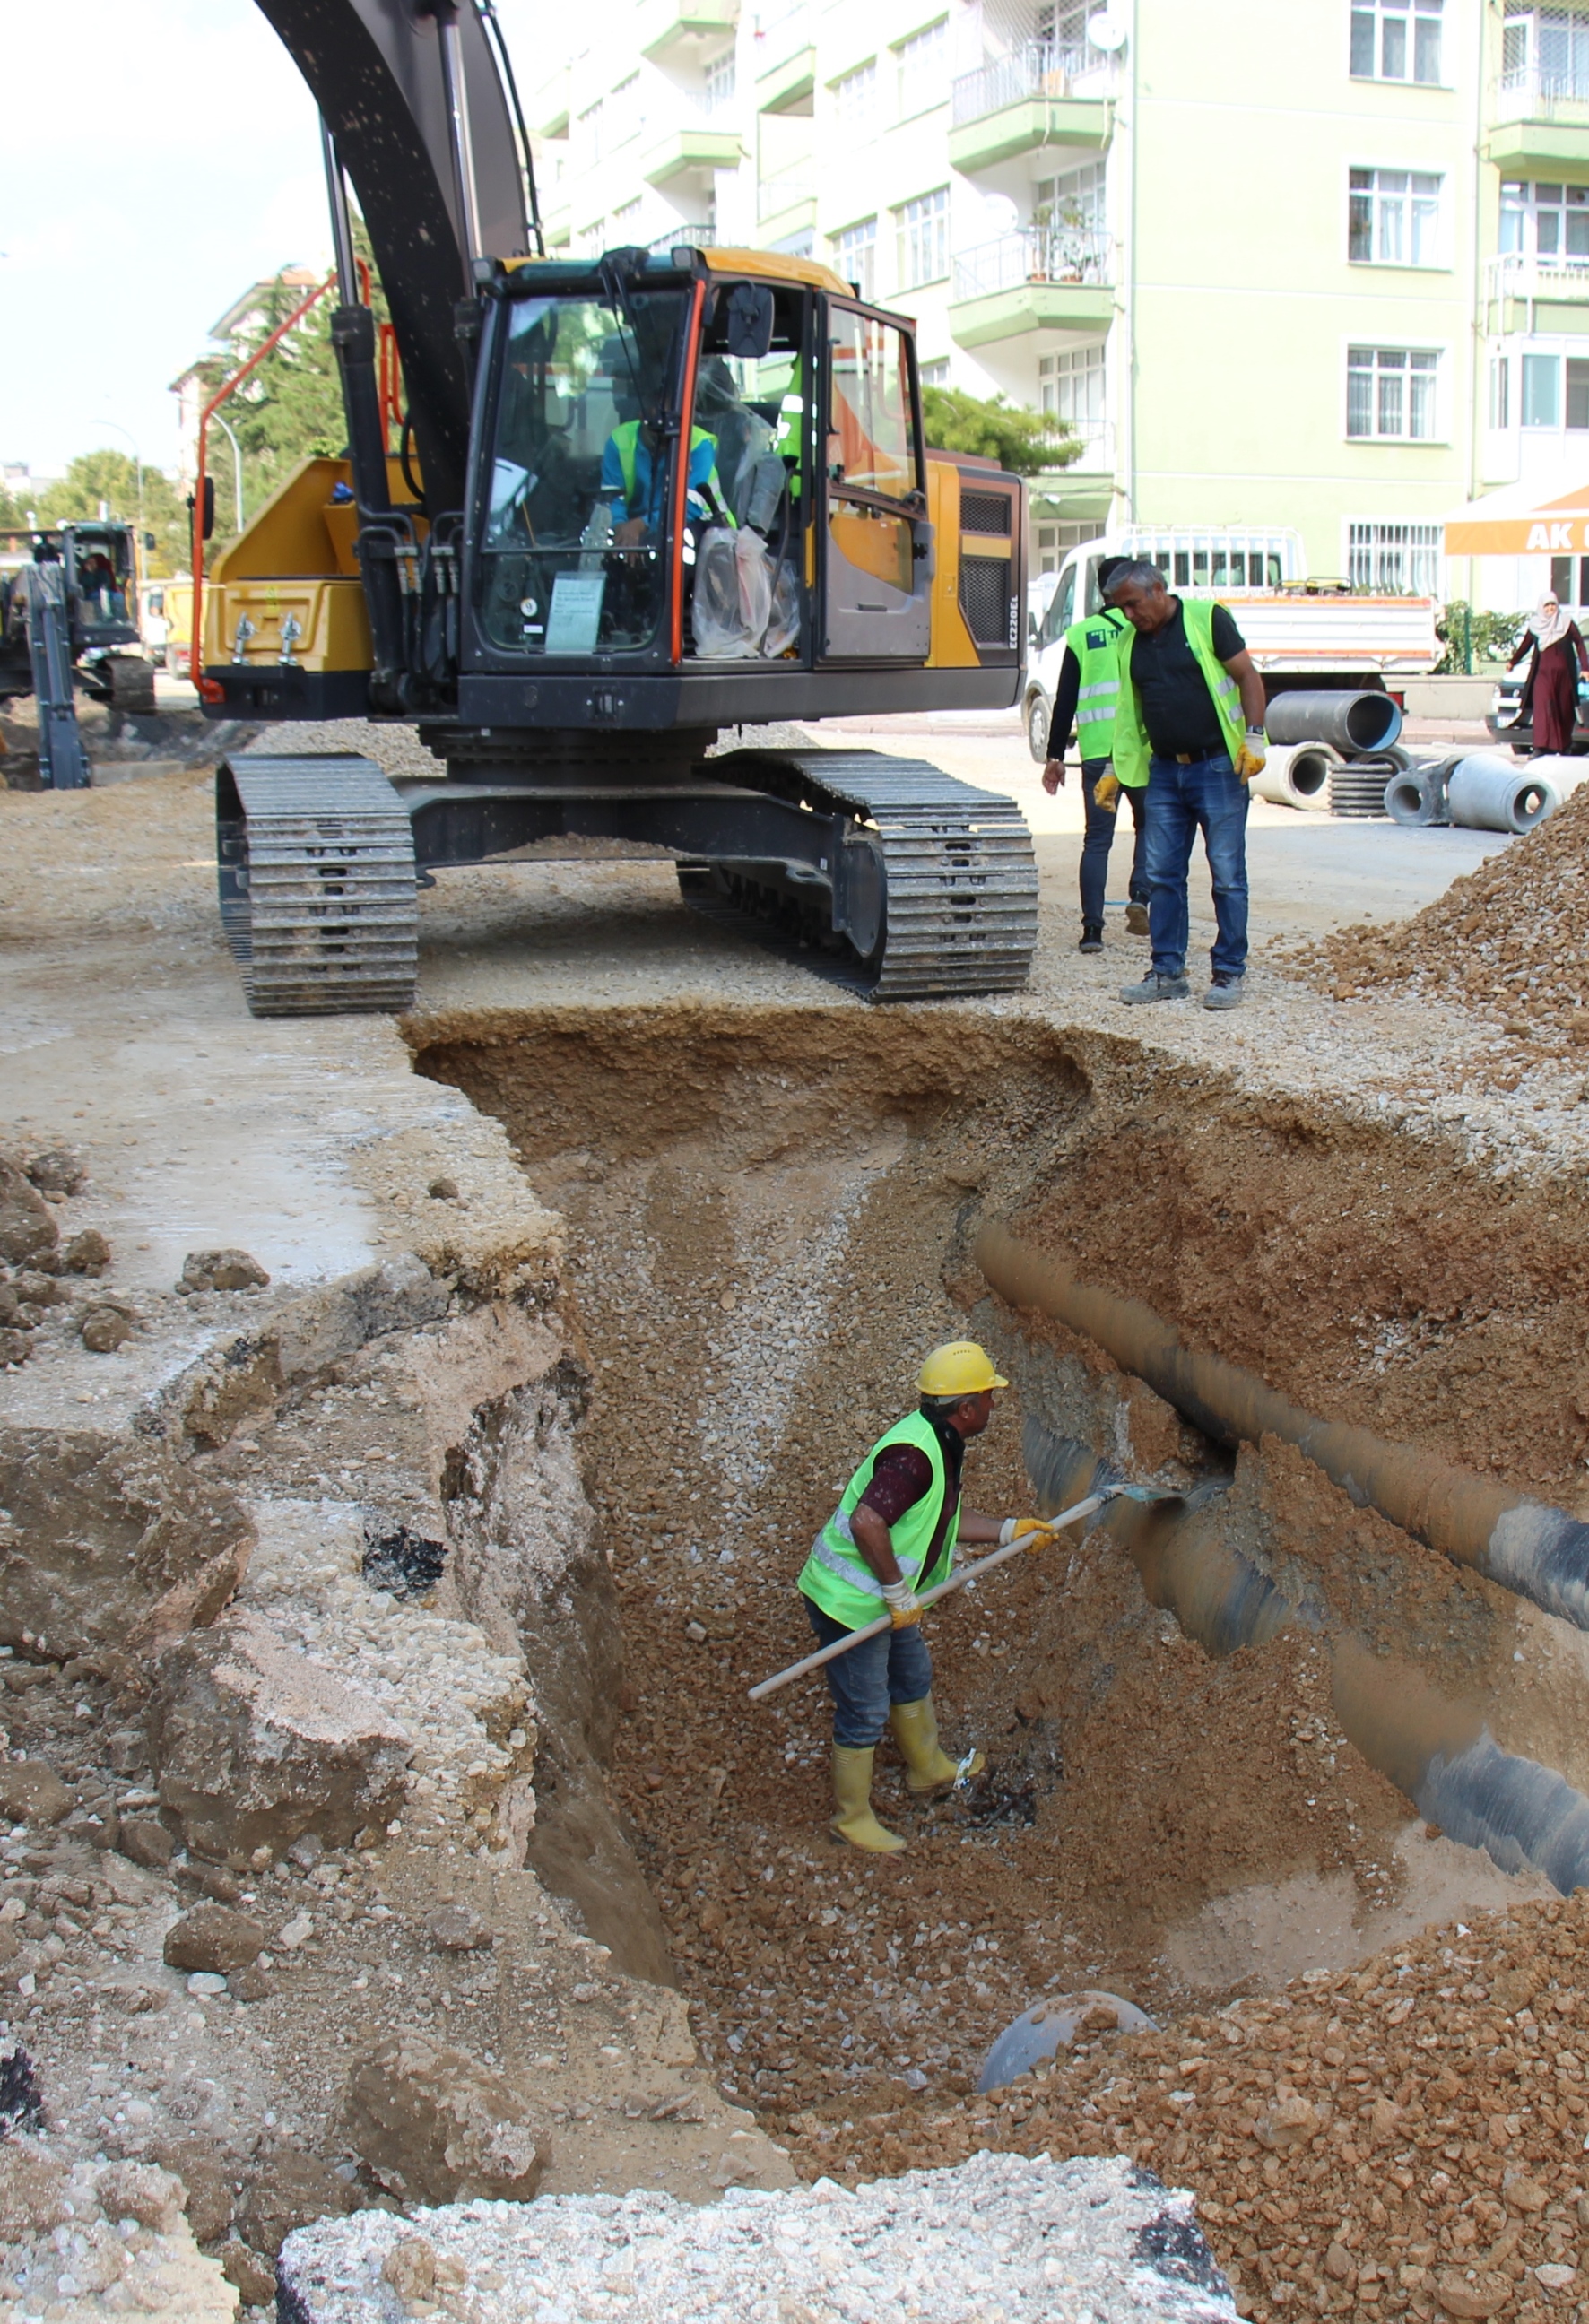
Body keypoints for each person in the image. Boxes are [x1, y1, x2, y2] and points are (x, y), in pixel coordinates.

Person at [796, 1341, 1049, 1854]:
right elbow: (867, 1522)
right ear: (965, 1409)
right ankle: (851, 1818)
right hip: (849, 1606)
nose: (993, 1406)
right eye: (987, 1397)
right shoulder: (914, 1457)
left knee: (912, 1677)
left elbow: (940, 1523)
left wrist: (1009, 1531)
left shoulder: (940, 1443)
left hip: (886, 1602)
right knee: (864, 1710)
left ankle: (927, 1769)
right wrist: (894, 1591)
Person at [1101, 559, 1270, 1012]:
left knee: (1228, 875)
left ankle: (1229, 972)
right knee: (1162, 876)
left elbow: (1247, 677)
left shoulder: (1206, 619)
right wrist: (1114, 769)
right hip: (1163, 772)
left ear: (1158, 589)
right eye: (1121, 609)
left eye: (1134, 605)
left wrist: (1253, 736)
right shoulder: (1128, 641)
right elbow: (1128, 713)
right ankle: (1167, 972)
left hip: (1216, 768)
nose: (1130, 616)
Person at [1041, 554, 1150, 953]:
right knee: (1150, 827)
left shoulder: (1081, 634)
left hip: (1096, 753)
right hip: (1140, 751)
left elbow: (1065, 698)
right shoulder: (1144, 626)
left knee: (1097, 841)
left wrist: (1054, 755)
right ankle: (1140, 894)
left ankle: (1092, 930)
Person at [601, 339, 727, 546]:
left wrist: (640, 525)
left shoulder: (699, 445)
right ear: (642, 410)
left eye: (668, 407)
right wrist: (622, 529)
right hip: (646, 528)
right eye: (654, 405)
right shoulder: (619, 441)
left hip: (708, 530)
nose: (660, 415)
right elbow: (612, 500)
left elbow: (690, 507)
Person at [1508, 594, 1588, 757]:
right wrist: (1513, 662)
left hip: (1564, 677)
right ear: (1541, 608)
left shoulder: (1566, 623)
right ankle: (1540, 747)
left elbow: (1579, 643)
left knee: (1563, 709)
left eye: (1553, 605)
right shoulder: (1536, 626)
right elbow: (1526, 645)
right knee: (1543, 709)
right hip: (1542, 676)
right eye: (1547, 606)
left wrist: (1585, 668)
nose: (1551, 608)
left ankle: (1563, 746)